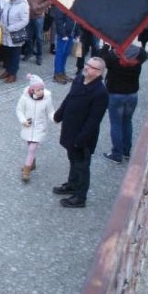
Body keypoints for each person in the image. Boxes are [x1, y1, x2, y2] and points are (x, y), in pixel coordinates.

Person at [52, 57, 109, 208]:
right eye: (87, 64)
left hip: (82, 137)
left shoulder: (100, 92)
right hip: (70, 130)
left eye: (90, 67)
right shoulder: (79, 79)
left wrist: (81, 140)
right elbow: (69, 98)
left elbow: (94, 120)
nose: (86, 68)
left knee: (82, 166)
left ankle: (80, 197)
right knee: (72, 159)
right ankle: (72, 184)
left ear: (98, 72)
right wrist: (59, 114)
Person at [100, 44, 148, 164]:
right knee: (127, 121)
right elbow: (144, 55)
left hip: (115, 94)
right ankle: (126, 151)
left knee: (116, 124)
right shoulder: (140, 53)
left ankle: (117, 154)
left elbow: (102, 61)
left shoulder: (113, 56)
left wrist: (105, 47)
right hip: (132, 94)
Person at [15, 74, 56, 183]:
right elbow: (19, 110)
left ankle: (26, 170)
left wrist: (55, 118)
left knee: (32, 148)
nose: (41, 91)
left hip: (39, 127)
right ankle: (32, 162)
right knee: (30, 145)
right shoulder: (24, 98)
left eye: (42, 89)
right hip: (28, 127)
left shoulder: (47, 98)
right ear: (32, 90)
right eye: (38, 89)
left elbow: (50, 111)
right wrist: (23, 120)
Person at [0, 0, 30, 83]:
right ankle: (8, 71)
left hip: (16, 33)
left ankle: (13, 74)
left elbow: (24, 21)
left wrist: (11, 28)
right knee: (7, 53)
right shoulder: (8, 4)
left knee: (15, 55)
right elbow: (3, 16)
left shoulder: (23, 5)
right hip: (5, 33)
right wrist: (1, 25)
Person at [21, 0, 50, 65]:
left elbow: (48, 1)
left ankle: (39, 55)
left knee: (39, 37)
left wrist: (39, 7)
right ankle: (29, 52)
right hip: (28, 15)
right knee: (28, 36)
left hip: (39, 15)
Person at [51, 6, 80, 84]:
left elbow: (77, 20)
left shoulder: (75, 6)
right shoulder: (62, 5)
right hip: (64, 34)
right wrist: (63, 34)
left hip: (71, 33)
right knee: (60, 54)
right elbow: (59, 21)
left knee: (65, 54)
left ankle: (62, 72)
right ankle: (57, 74)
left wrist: (77, 33)